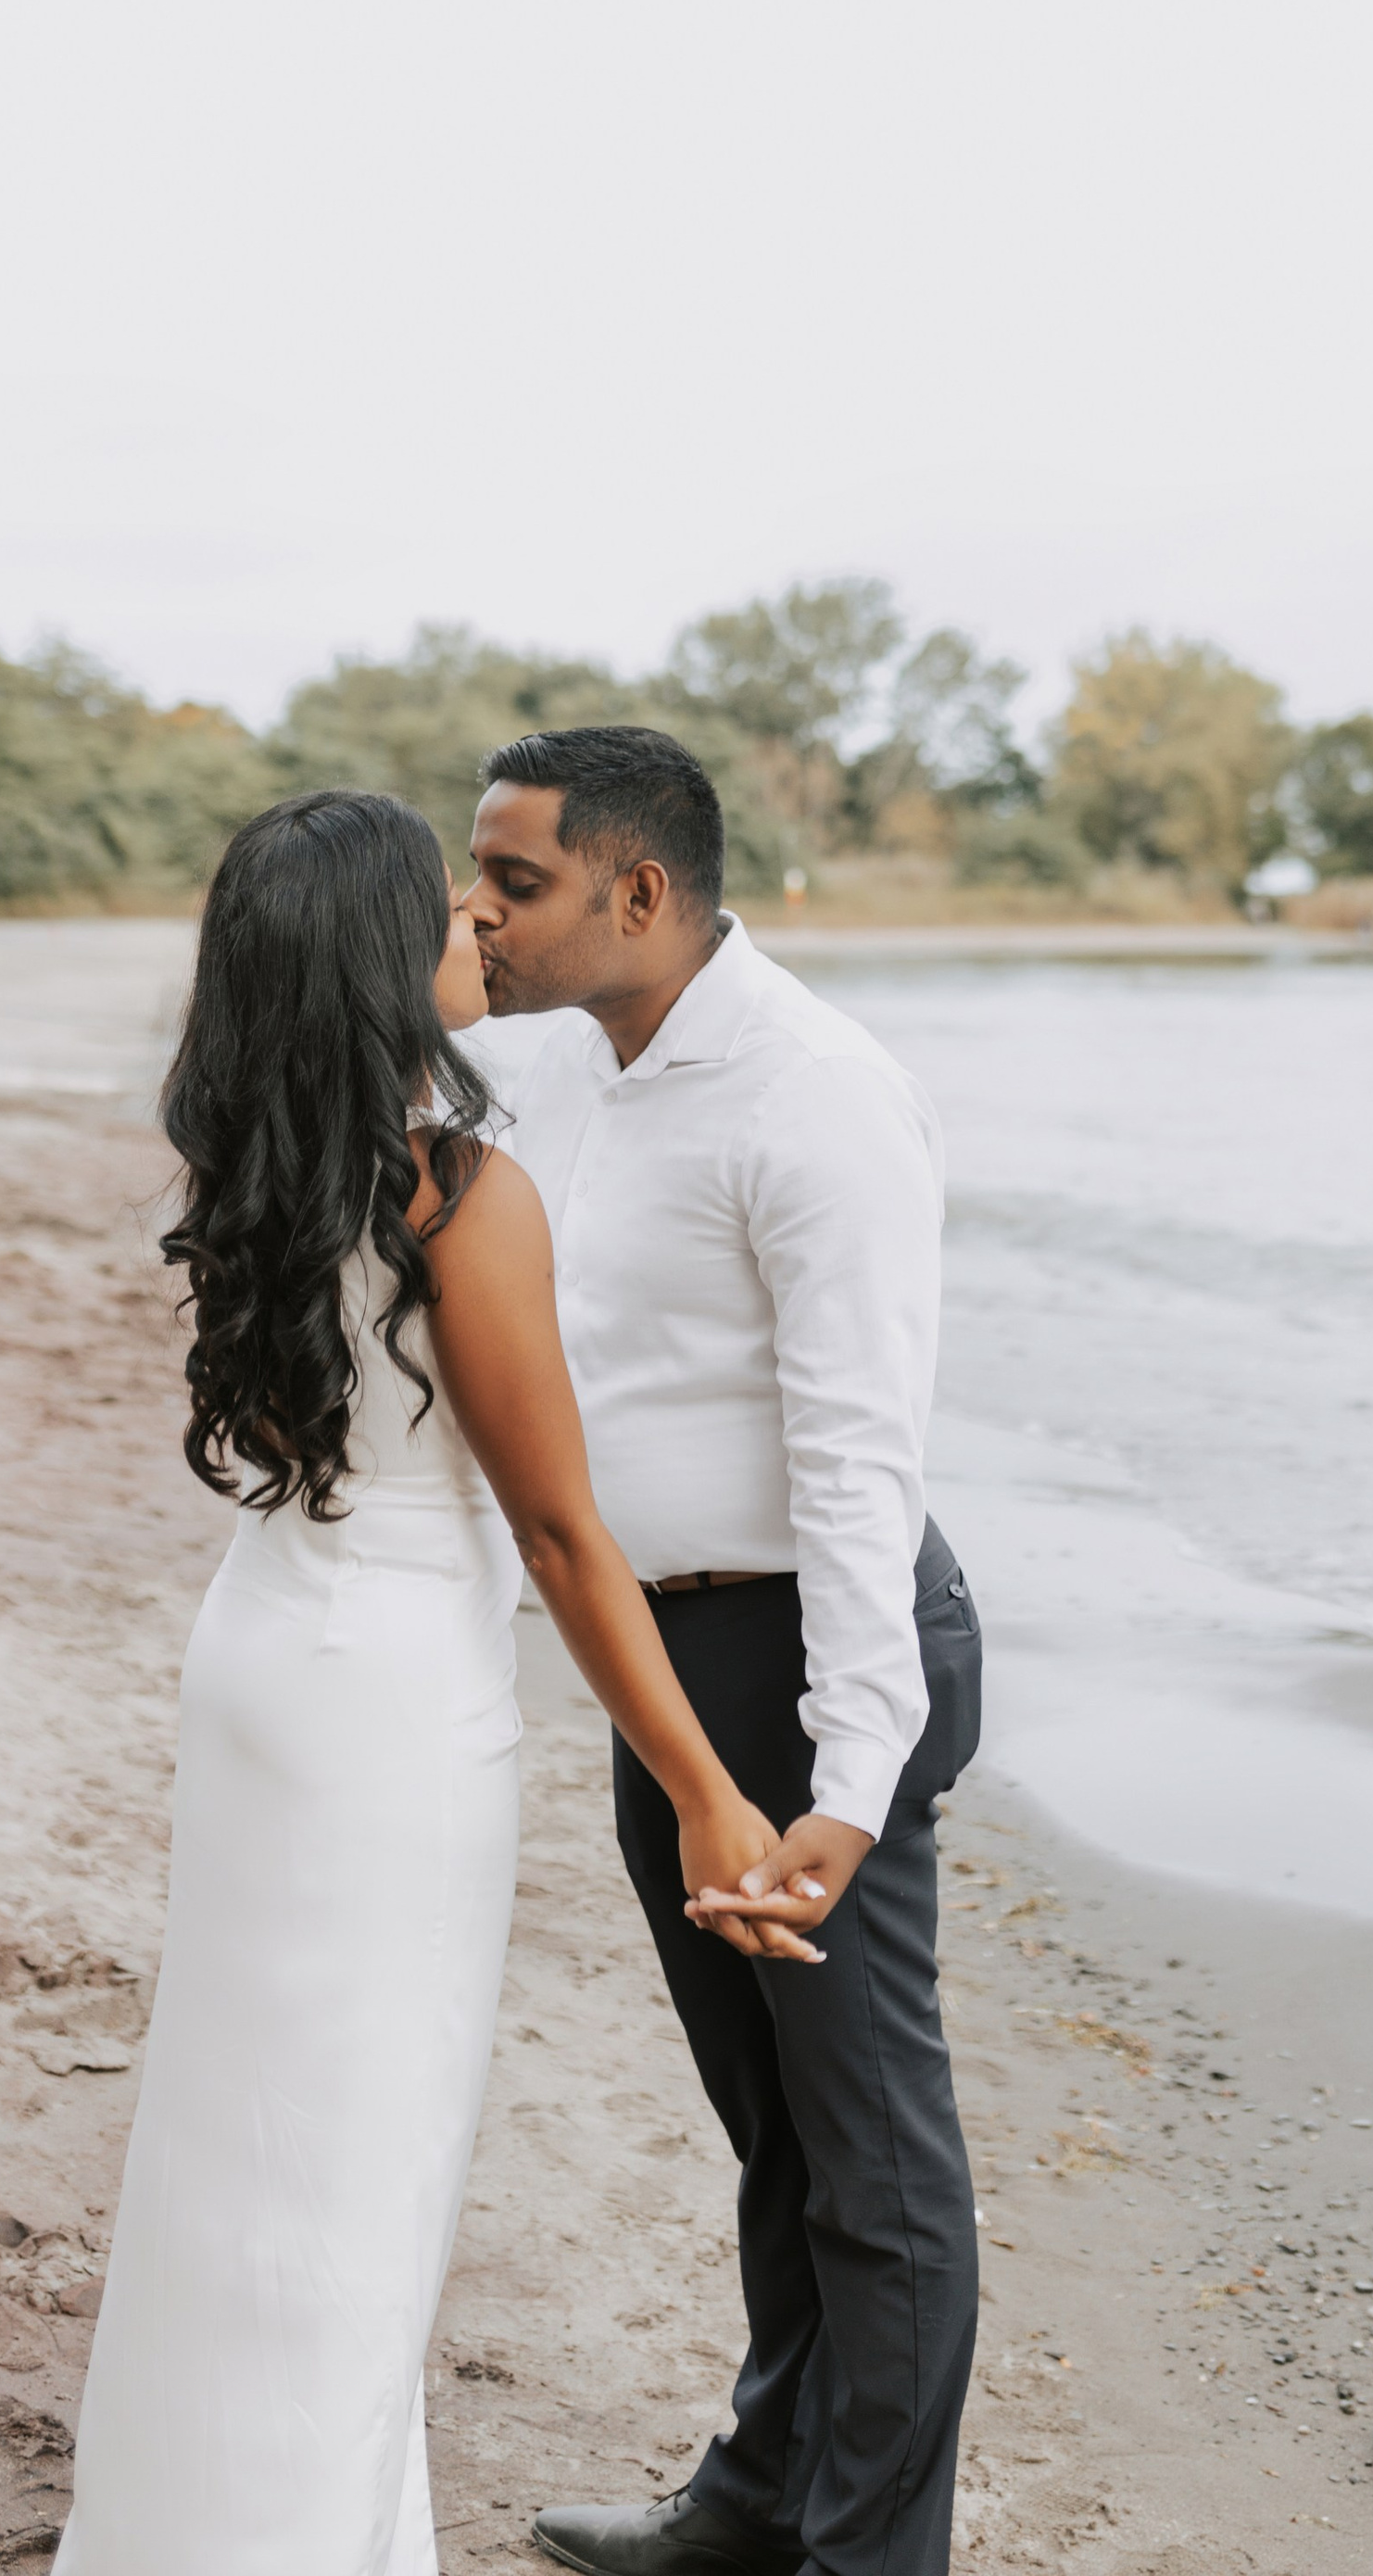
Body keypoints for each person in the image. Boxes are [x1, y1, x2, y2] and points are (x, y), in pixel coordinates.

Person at [55, 789, 806, 2576]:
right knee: (355, 2159)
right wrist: (710, 1785)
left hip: (263, 1660)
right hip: (389, 1708)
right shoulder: (462, 1196)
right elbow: (560, 1535)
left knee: (242, 2131)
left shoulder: (261, 1163)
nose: (479, 926)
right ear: (378, 961)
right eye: (444, 910)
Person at [462, 728, 981, 2576]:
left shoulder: (815, 1094)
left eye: (509, 881)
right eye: (469, 877)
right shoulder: (567, 1067)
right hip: (665, 1666)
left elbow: (857, 1460)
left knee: (873, 2161)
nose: (478, 913)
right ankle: (756, 2506)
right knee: (772, 2134)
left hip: (803, 1653)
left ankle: (865, 2561)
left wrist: (847, 1775)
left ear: (638, 893)